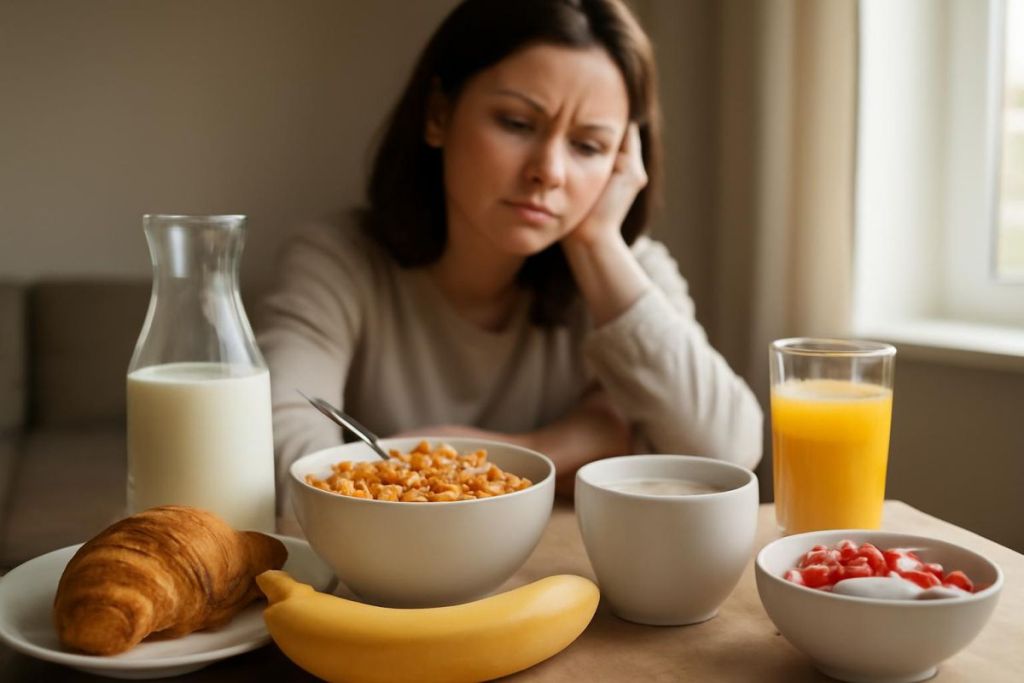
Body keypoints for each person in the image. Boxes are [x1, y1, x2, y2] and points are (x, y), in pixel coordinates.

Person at [257, 0, 762, 516]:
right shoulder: (337, 262)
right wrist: (581, 438)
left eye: (588, 146)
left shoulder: (625, 272)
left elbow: (728, 453)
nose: (549, 171)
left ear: (621, 163)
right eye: (517, 123)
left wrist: (596, 243)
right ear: (439, 114)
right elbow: (280, 466)